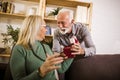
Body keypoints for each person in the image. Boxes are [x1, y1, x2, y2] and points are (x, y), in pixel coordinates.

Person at [10, 15, 73, 80]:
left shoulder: (46, 47)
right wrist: (40, 72)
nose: (46, 30)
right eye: (45, 27)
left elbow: (60, 69)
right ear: (36, 28)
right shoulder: (19, 49)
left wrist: (72, 53)